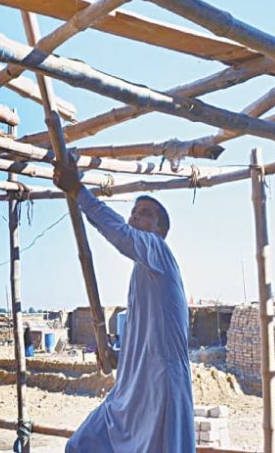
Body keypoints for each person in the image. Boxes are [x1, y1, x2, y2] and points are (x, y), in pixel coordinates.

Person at [54, 163, 195, 452]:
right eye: (135, 210)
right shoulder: (142, 273)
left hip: (160, 389)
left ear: (159, 230)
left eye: (146, 214)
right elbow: (145, 341)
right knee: (81, 445)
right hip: (132, 389)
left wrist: (78, 192)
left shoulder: (157, 249)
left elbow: (119, 233)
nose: (135, 216)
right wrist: (117, 356)